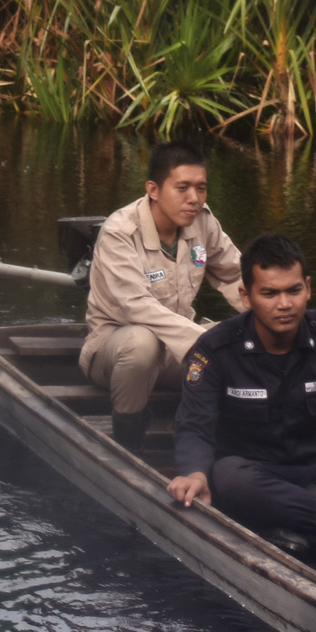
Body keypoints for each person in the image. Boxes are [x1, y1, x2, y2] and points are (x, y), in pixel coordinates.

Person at [165, 233, 316, 551]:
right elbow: (194, 426)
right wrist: (194, 473)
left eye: (294, 290)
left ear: (308, 288)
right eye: (270, 293)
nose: (284, 304)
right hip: (252, 477)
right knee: (226, 476)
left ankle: (308, 532)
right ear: (246, 296)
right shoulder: (216, 349)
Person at [82, 141, 245, 451]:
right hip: (116, 352)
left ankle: (230, 440)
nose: (194, 199)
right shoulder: (120, 231)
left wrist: (276, 326)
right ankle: (128, 438)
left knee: (243, 338)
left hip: (175, 351)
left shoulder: (203, 222)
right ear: (153, 190)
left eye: (201, 188)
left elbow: (237, 276)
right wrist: (204, 345)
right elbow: (136, 306)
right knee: (143, 343)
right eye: (182, 188)